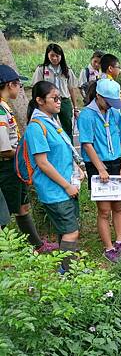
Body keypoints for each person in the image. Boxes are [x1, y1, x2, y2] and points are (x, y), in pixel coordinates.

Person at [23, 81, 85, 272]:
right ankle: (68, 272)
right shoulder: (36, 127)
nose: (59, 102)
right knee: (71, 232)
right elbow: (42, 163)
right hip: (55, 190)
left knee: (65, 231)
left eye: (60, 98)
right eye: (55, 98)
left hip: (66, 187)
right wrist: (67, 186)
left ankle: (69, 268)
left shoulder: (51, 121)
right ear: (40, 101)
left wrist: (76, 168)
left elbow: (62, 151)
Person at [0, 65, 57, 252]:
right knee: (7, 212)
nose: (20, 89)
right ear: (10, 85)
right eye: (18, 85)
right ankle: (14, 251)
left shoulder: (5, 107)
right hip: (7, 166)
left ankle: (36, 245)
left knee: (22, 206)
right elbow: (3, 149)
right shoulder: (0, 111)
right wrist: (23, 154)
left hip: (13, 165)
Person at [78, 79, 121, 262]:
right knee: (103, 209)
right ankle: (109, 248)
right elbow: (87, 144)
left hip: (116, 162)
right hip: (97, 164)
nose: (111, 105)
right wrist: (100, 168)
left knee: (118, 205)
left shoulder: (115, 113)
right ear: (99, 96)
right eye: (108, 101)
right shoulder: (86, 115)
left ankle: (119, 240)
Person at [31, 43, 80, 140]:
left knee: (67, 128)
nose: (54, 58)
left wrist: (75, 107)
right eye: (52, 55)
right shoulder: (42, 69)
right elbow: (36, 87)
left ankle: (70, 152)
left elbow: (71, 89)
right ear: (47, 55)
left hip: (64, 101)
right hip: (48, 101)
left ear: (61, 56)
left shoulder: (67, 70)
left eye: (57, 56)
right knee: (49, 126)